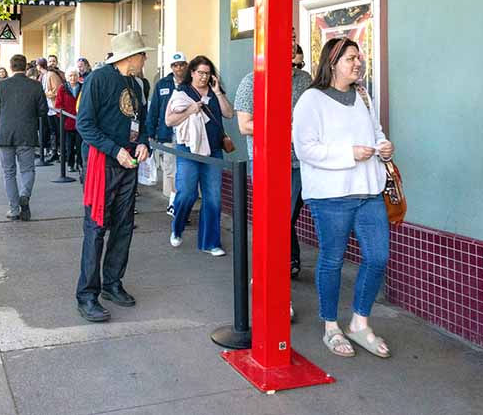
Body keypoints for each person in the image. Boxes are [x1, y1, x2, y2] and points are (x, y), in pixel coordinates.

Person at [293, 36, 394, 359]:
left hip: (369, 192)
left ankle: (359, 324)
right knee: (332, 260)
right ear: (333, 62)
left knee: (378, 257)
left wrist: (384, 144)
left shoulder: (363, 95)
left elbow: (375, 131)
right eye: (351, 58)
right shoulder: (312, 99)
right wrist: (348, 153)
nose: (358, 63)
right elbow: (304, 148)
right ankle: (331, 326)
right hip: (331, 196)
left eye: (359, 57)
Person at [75, 30, 152, 322]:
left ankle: (112, 283)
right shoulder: (98, 79)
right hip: (102, 165)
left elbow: (141, 121)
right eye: (142, 53)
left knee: (123, 226)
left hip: (127, 164)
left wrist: (142, 141)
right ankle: (87, 295)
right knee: (95, 230)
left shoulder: (136, 84)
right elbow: (85, 125)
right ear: (130, 57)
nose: (145, 58)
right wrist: (115, 149)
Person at [235, 27, 310, 278]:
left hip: (300, 163)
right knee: (274, 223)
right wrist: (281, 128)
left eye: (293, 38)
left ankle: (281, 270)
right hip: (267, 163)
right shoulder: (251, 81)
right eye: (284, 38)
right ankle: (268, 277)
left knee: (285, 221)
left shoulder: (304, 79)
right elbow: (245, 126)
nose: (290, 43)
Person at [165, 55, 234, 256]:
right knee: (187, 192)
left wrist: (218, 92)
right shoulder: (182, 92)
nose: (204, 77)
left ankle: (210, 242)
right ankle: (177, 227)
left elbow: (229, 114)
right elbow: (169, 120)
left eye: (207, 73)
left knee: (213, 196)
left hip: (213, 150)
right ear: (192, 73)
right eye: (200, 73)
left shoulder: (214, 92)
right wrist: (190, 110)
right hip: (189, 149)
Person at [0, 54, 48, 221]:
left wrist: (6, 114)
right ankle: (25, 194)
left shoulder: (1, 85)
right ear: (26, 66)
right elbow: (43, 111)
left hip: (6, 133)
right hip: (27, 133)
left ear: (11, 66)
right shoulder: (35, 86)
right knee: (28, 169)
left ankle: (14, 209)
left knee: (9, 172)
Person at [146, 52, 188, 214]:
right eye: (175, 65)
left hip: (187, 136)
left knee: (184, 171)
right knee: (170, 170)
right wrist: (150, 133)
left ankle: (179, 204)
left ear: (186, 65)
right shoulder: (162, 84)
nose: (179, 68)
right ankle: (173, 203)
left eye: (182, 64)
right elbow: (154, 110)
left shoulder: (191, 83)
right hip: (167, 135)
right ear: (171, 67)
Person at [55, 67, 83, 173]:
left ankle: (80, 163)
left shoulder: (82, 87)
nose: (73, 77)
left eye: (75, 75)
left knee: (80, 145)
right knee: (69, 146)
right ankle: (70, 164)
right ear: (67, 77)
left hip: (80, 122)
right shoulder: (62, 88)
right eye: (70, 75)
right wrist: (63, 116)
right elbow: (58, 105)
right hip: (67, 122)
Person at [38, 57, 63, 162]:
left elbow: (57, 91)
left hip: (54, 107)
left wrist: (45, 94)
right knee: (52, 131)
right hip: (48, 108)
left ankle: (59, 152)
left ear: (39, 66)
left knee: (57, 131)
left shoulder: (51, 75)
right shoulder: (43, 76)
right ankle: (54, 151)